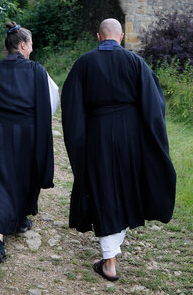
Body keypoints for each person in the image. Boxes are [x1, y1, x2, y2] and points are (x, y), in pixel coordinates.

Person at [61, 18, 176, 281]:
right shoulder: (136, 63)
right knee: (124, 186)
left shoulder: (83, 64)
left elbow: (71, 107)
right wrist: (150, 138)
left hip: (97, 134)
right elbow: (154, 106)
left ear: (99, 37)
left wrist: (79, 142)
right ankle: (109, 257)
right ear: (121, 37)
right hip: (130, 137)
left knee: (104, 189)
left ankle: (110, 260)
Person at [0, 21, 59, 263]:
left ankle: (7, 230)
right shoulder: (37, 70)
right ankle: (6, 232)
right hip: (26, 133)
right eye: (30, 45)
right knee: (22, 175)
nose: (31, 50)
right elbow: (48, 102)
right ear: (23, 45)